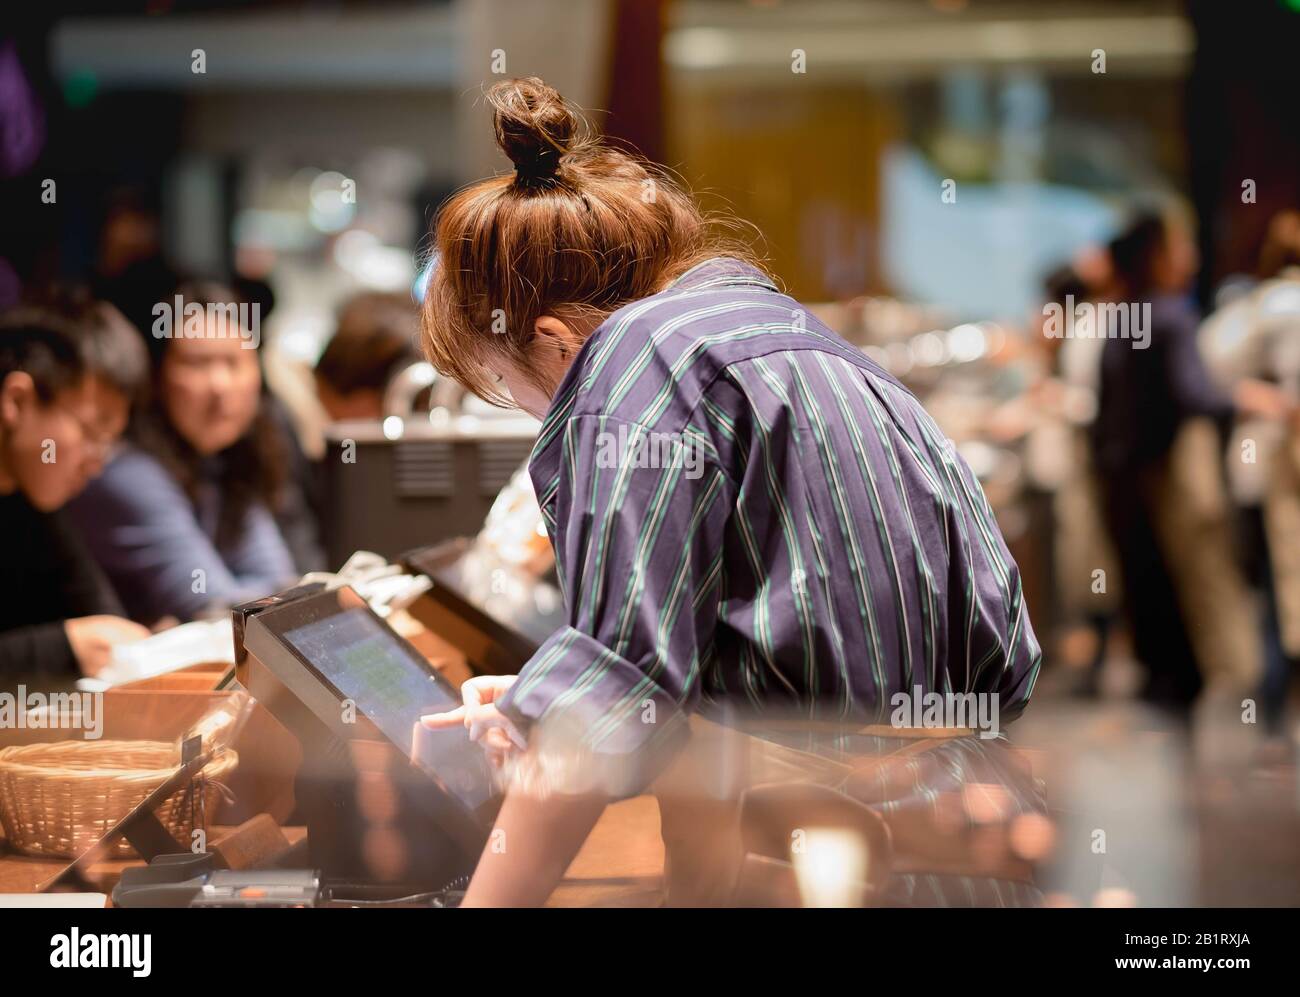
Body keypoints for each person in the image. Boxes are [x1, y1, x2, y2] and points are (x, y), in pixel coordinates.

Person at [418, 78, 1042, 906]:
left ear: (551, 341)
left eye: (512, 389)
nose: (543, 419)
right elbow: (1000, 658)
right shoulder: (815, 347)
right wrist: (544, 695)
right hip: (970, 848)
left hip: (841, 869)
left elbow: (613, 696)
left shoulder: (634, 352)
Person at [68, 281, 298, 625]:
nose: (220, 386)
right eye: (198, 364)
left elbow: (283, 587)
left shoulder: (229, 460)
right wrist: (261, 594)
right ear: (157, 377)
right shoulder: (126, 474)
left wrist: (263, 593)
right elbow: (217, 608)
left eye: (234, 363)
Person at [0, 294, 151, 678]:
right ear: (17, 400)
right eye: (90, 431)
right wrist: (62, 648)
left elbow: (102, 618)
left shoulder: (33, 499)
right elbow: (78, 639)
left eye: (108, 441)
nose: (96, 462)